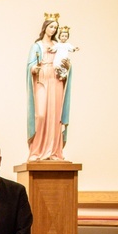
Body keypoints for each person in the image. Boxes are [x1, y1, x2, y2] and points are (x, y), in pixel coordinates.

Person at [26, 15, 73, 161]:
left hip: (56, 80)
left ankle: (54, 151)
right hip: (42, 79)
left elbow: (67, 64)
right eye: (51, 26)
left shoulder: (59, 46)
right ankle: (37, 151)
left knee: (55, 116)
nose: (53, 30)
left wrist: (67, 67)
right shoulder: (37, 45)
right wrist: (34, 68)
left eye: (55, 28)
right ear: (45, 27)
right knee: (41, 115)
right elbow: (30, 65)